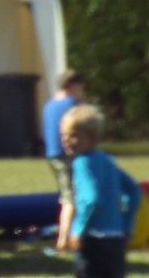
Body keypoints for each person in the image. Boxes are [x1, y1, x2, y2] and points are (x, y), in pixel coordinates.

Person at [60, 104, 140, 278]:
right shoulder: (108, 160)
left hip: (93, 239)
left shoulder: (81, 163)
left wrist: (78, 230)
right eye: (63, 135)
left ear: (91, 139)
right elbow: (134, 190)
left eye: (73, 135)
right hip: (116, 239)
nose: (66, 140)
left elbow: (91, 199)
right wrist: (127, 226)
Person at [45, 69, 87, 249]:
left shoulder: (50, 104)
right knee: (71, 198)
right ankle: (63, 240)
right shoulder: (73, 104)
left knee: (67, 194)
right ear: (74, 86)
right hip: (68, 156)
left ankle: (72, 234)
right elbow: (87, 125)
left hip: (52, 155)